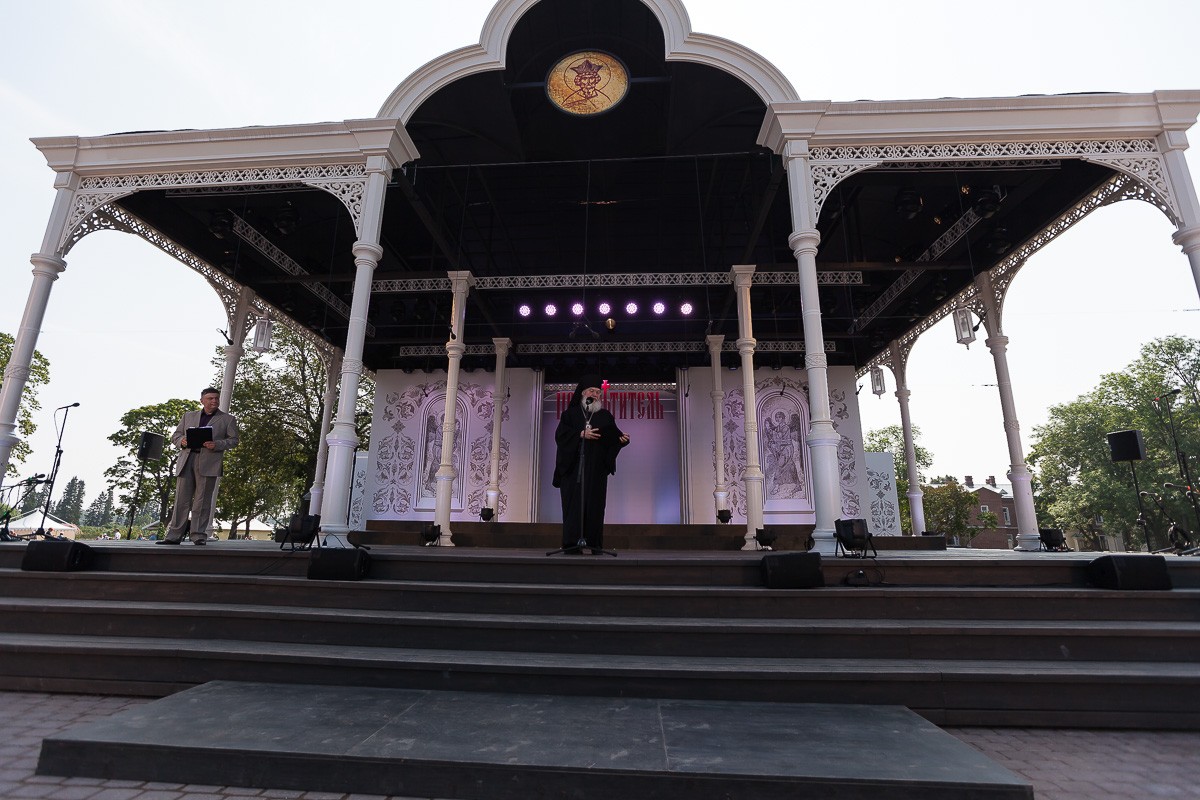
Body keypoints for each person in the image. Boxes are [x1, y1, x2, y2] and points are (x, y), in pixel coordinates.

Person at [552, 374, 630, 553]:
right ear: (582, 393)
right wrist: (580, 434)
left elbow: (613, 438)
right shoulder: (570, 415)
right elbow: (561, 437)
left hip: (596, 471)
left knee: (596, 507)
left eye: (598, 392)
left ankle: (594, 544)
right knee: (573, 507)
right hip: (574, 471)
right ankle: (572, 546)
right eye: (591, 391)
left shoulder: (605, 416)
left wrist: (622, 441)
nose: (595, 394)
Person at [158, 387, 239, 546]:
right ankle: (173, 536)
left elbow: (234, 440)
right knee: (181, 500)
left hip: (209, 463)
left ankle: (198, 536)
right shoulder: (188, 416)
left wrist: (217, 444)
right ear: (202, 401)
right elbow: (176, 435)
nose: (214, 401)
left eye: (216, 398)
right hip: (187, 459)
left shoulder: (228, 419)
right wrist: (181, 441)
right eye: (210, 398)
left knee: (202, 502)